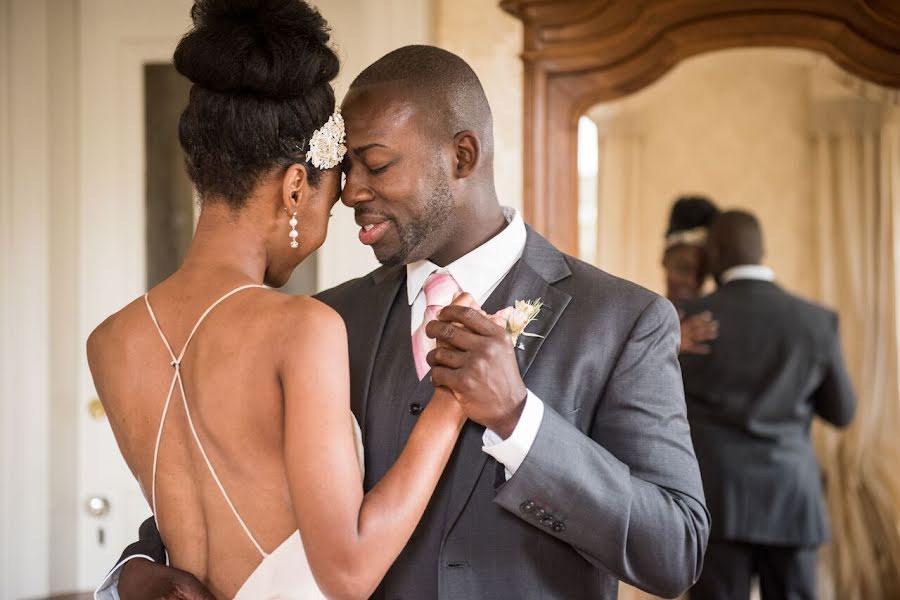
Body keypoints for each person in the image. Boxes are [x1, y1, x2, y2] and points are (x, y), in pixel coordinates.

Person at [102, 43, 710, 599]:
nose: (349, 193)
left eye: (376, 164)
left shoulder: (622, 320)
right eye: (346, 168)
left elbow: (675, 551)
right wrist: (134, 567)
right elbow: (238, 483)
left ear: (462, 155)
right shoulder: (327, 319)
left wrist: (519, 419)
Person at [88, 2, 470, 598]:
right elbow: (347, 574)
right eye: (331, 187)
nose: (341, 208)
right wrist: (450, 404)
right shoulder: (301, 328)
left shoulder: (110, 341)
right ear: (296, 186)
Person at [680, 211, 856, 600]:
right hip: (791, 500)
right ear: (761, 251)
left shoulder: (688, 322)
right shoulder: (816, 321)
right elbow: (842, 412)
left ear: (716, 252)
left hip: (718, 502)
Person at [663, 195, 721, 355]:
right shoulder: (636, 318)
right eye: (683, 268)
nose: (692, 282)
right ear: (664, 259)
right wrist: (668, 345)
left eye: (701, 273)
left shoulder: (712, 328)